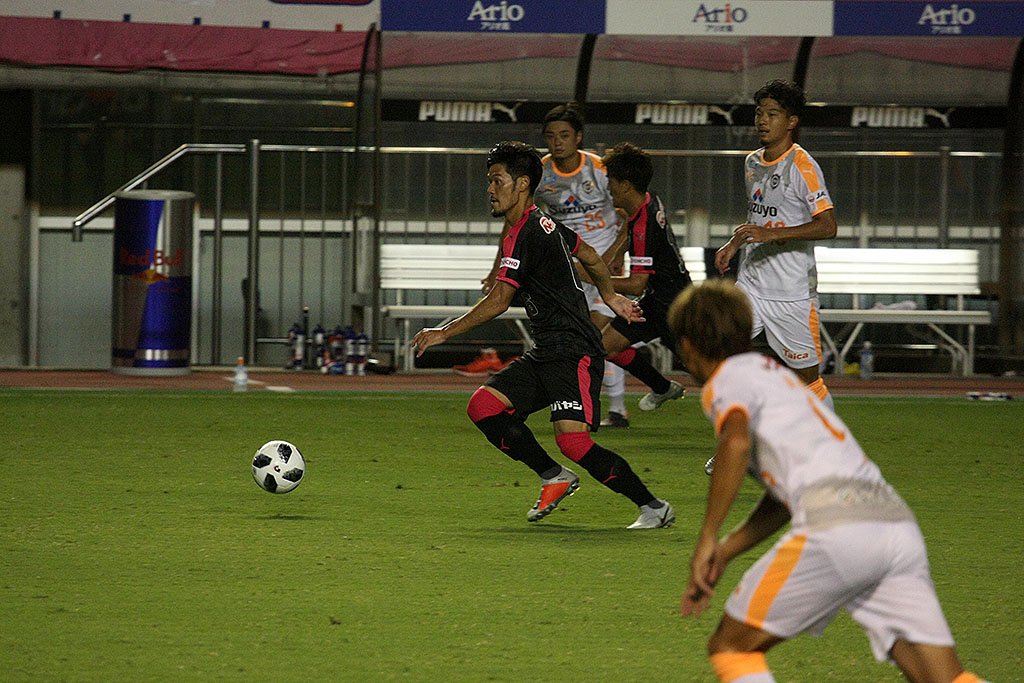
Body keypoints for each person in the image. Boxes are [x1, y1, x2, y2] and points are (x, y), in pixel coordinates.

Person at [668, 279, 986, 683]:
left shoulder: (727, 379)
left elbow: (735, 442)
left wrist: (707, 537)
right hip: (893, 523)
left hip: (837, 528)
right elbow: (782, 500)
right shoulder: (777, 379)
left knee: (731, 647)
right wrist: (727, 550)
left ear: (688, 346)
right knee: (943, 677)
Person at [414, 140, 674, 529]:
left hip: (574, 351)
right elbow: (588, 254)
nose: (490, 189)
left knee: (573, 442)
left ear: (522, 184)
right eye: (490, 181)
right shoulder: (539, 224)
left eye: (497, 180)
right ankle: (554, 476)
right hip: (548, 350)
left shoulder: (529, 231)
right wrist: (609, 295)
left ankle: (653, 507)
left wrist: (444, 332)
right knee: (483, 406)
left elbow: (500, 300)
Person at [484, 102, 632, 427]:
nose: (557, 142)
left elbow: (627, 213)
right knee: (586, 337)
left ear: (578, 137)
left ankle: (614, 407)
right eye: (550, 136)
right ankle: (594, 405)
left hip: (599, 262)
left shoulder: (599, 170)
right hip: (565, 264)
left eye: (564, 135)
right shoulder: (540, 172)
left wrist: (616, 255)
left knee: (597, 333)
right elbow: (514, 218)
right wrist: (497, 267)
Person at [713, 79, 837, 412]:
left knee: (808, 380)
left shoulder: (803, 166)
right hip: (751, 284)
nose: (763, 121)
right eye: (759, 113)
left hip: (791, 294)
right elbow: (757, 216)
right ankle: (744, 432)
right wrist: (734, 243)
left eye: (772, 114)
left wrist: (773, 235)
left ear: (791, 121)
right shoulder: (752, 162)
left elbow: (828, 226)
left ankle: (828, 438)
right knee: (721, 356)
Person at [599, 142, 690, 412]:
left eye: (611, 181)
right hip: (657, 299)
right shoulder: (648, 200)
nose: (608, 186)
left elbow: (637, 284)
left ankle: (754, 417)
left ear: (626, 185)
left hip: (674, 306)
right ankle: (662, 387)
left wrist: (595, 278)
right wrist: (618, 252)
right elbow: (630, 224)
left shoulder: (643, 226)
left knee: (705, 369)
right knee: (607, 346)